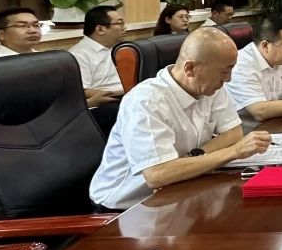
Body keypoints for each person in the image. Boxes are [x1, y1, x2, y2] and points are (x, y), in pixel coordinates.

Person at [89, 27, 272, 211]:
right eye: (224, 72)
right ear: (190, 68)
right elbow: (157, 174)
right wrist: (234, 152)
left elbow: (233, 133)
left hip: (176, 188)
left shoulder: (209, 85)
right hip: (125, 207)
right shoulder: (146, 101)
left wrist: (192, 157)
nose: (229, 79)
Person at [69, 4, 125, 107]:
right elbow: (81, 90)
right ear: (100, 29)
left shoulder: (118, 48)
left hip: (125, 96)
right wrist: (118, 92)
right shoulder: (78, 55)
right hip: (104, 104)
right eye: (119, 23)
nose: (124, 28)